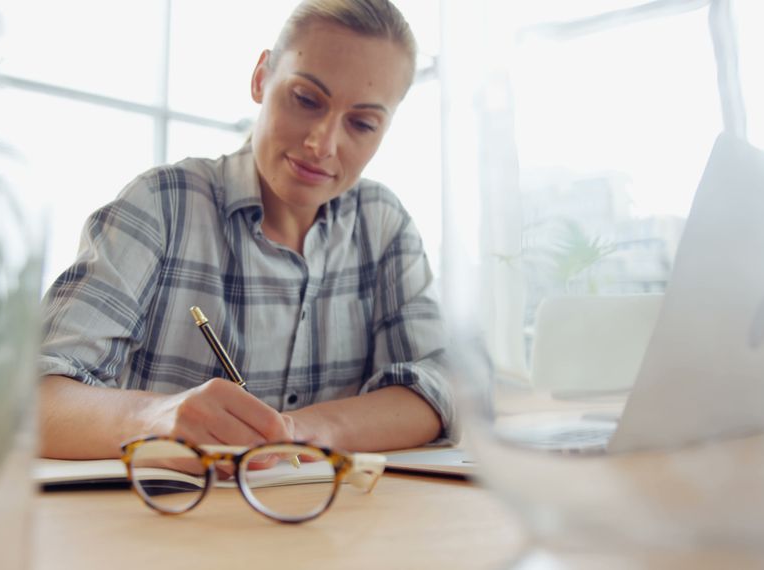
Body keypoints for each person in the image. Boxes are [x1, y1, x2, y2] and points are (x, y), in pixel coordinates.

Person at [38, 0, 453, 459]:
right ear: (261, 78)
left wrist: (297, 431)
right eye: (306, 99)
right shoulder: (162, 204)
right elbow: (34, 398)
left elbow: (441, 386)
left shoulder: (384, 223)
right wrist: (156, 419)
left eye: (362, 123)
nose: (322, 144)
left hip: (332, 525)